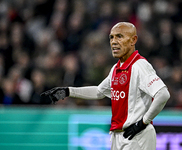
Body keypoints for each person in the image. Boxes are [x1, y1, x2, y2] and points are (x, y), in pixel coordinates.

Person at [41, 22, 170, 150]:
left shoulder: (140, 65)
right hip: (119, 135)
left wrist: (143, 122)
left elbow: (163, 94)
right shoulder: (116, 68)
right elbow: (99, 92)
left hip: (138, 135)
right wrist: (68, 91)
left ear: (133, 40)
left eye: (119, 36)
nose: (114, 41)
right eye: (111, 37)